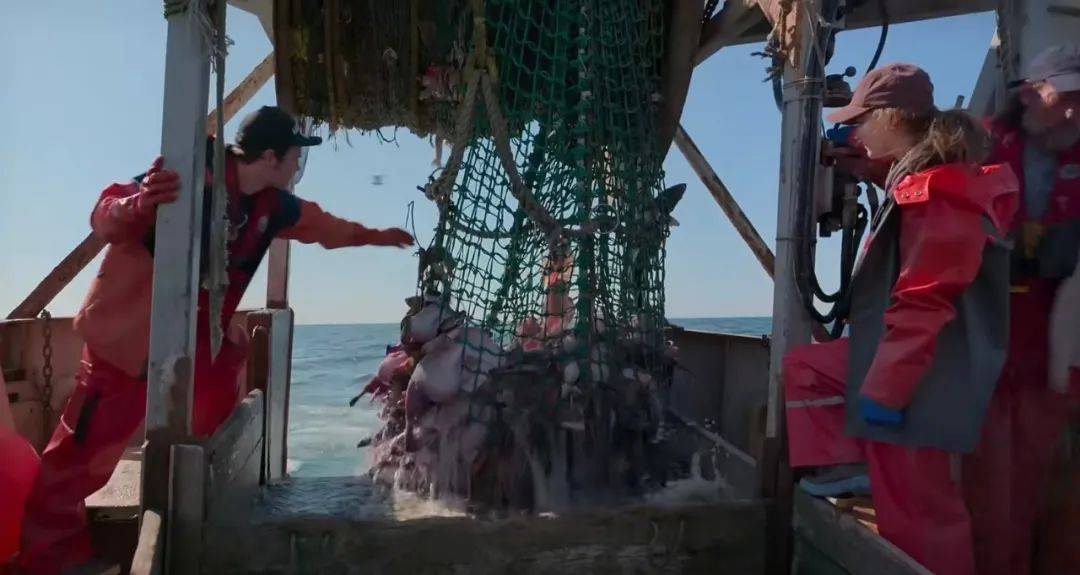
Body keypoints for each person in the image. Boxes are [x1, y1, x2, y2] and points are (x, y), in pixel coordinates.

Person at [17, 106, 415, 574]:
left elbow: (326, 227)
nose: (297, 166)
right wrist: (140, 204)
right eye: (295, 156)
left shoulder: (274, 206)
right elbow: (104, 216)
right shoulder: (189, 172)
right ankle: (51, 561)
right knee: (74, 464)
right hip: (124, 347)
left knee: (233, 350)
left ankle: (205, 463)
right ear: (271, 157)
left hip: (195, 344)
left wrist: (379, 237)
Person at [782, 63, 1019, 575]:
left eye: (858, 124)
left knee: (922, 518)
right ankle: (852, 469)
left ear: (889, 119)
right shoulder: (922, 183)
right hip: (923, 365)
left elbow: (924, 300)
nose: (852, 137)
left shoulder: (937, 194)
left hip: (923, 379)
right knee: (806, 367)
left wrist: (885, 393)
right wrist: (872, 169)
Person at [963, 43, 1080, 575]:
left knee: (1048, 493)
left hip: (1055, 355)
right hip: (986, 344)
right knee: (991, 494)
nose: (1075, 111)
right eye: (1066, 96)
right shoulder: (981, 145)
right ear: (1030, 93)